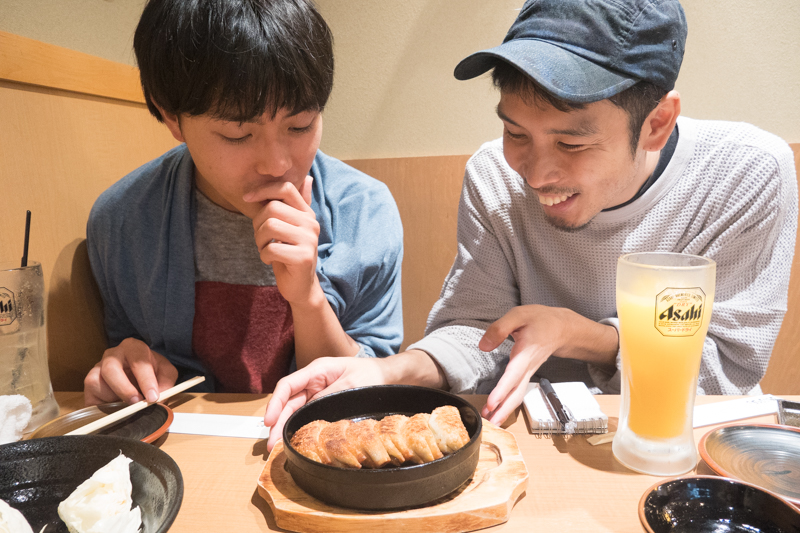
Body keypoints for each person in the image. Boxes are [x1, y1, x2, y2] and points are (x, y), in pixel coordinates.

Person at [263, 0, 797, 450]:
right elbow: (476, 331)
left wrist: (583, 336)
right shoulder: (494, 175)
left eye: (572, 143)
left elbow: (726, 370)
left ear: (656, 123)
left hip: (678, 442)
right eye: (516, 133)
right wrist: (387, 371)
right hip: (531, 444)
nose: (537, 175)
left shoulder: (744, 174)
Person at [83, 0, 403, 406]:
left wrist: (308, 298)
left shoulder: (364, 213)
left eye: (300, 125)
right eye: (237, 134)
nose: (277, 164)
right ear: (172, 117)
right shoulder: (122, 222)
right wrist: (126, 370)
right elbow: (130, 364)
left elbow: (368, 393)